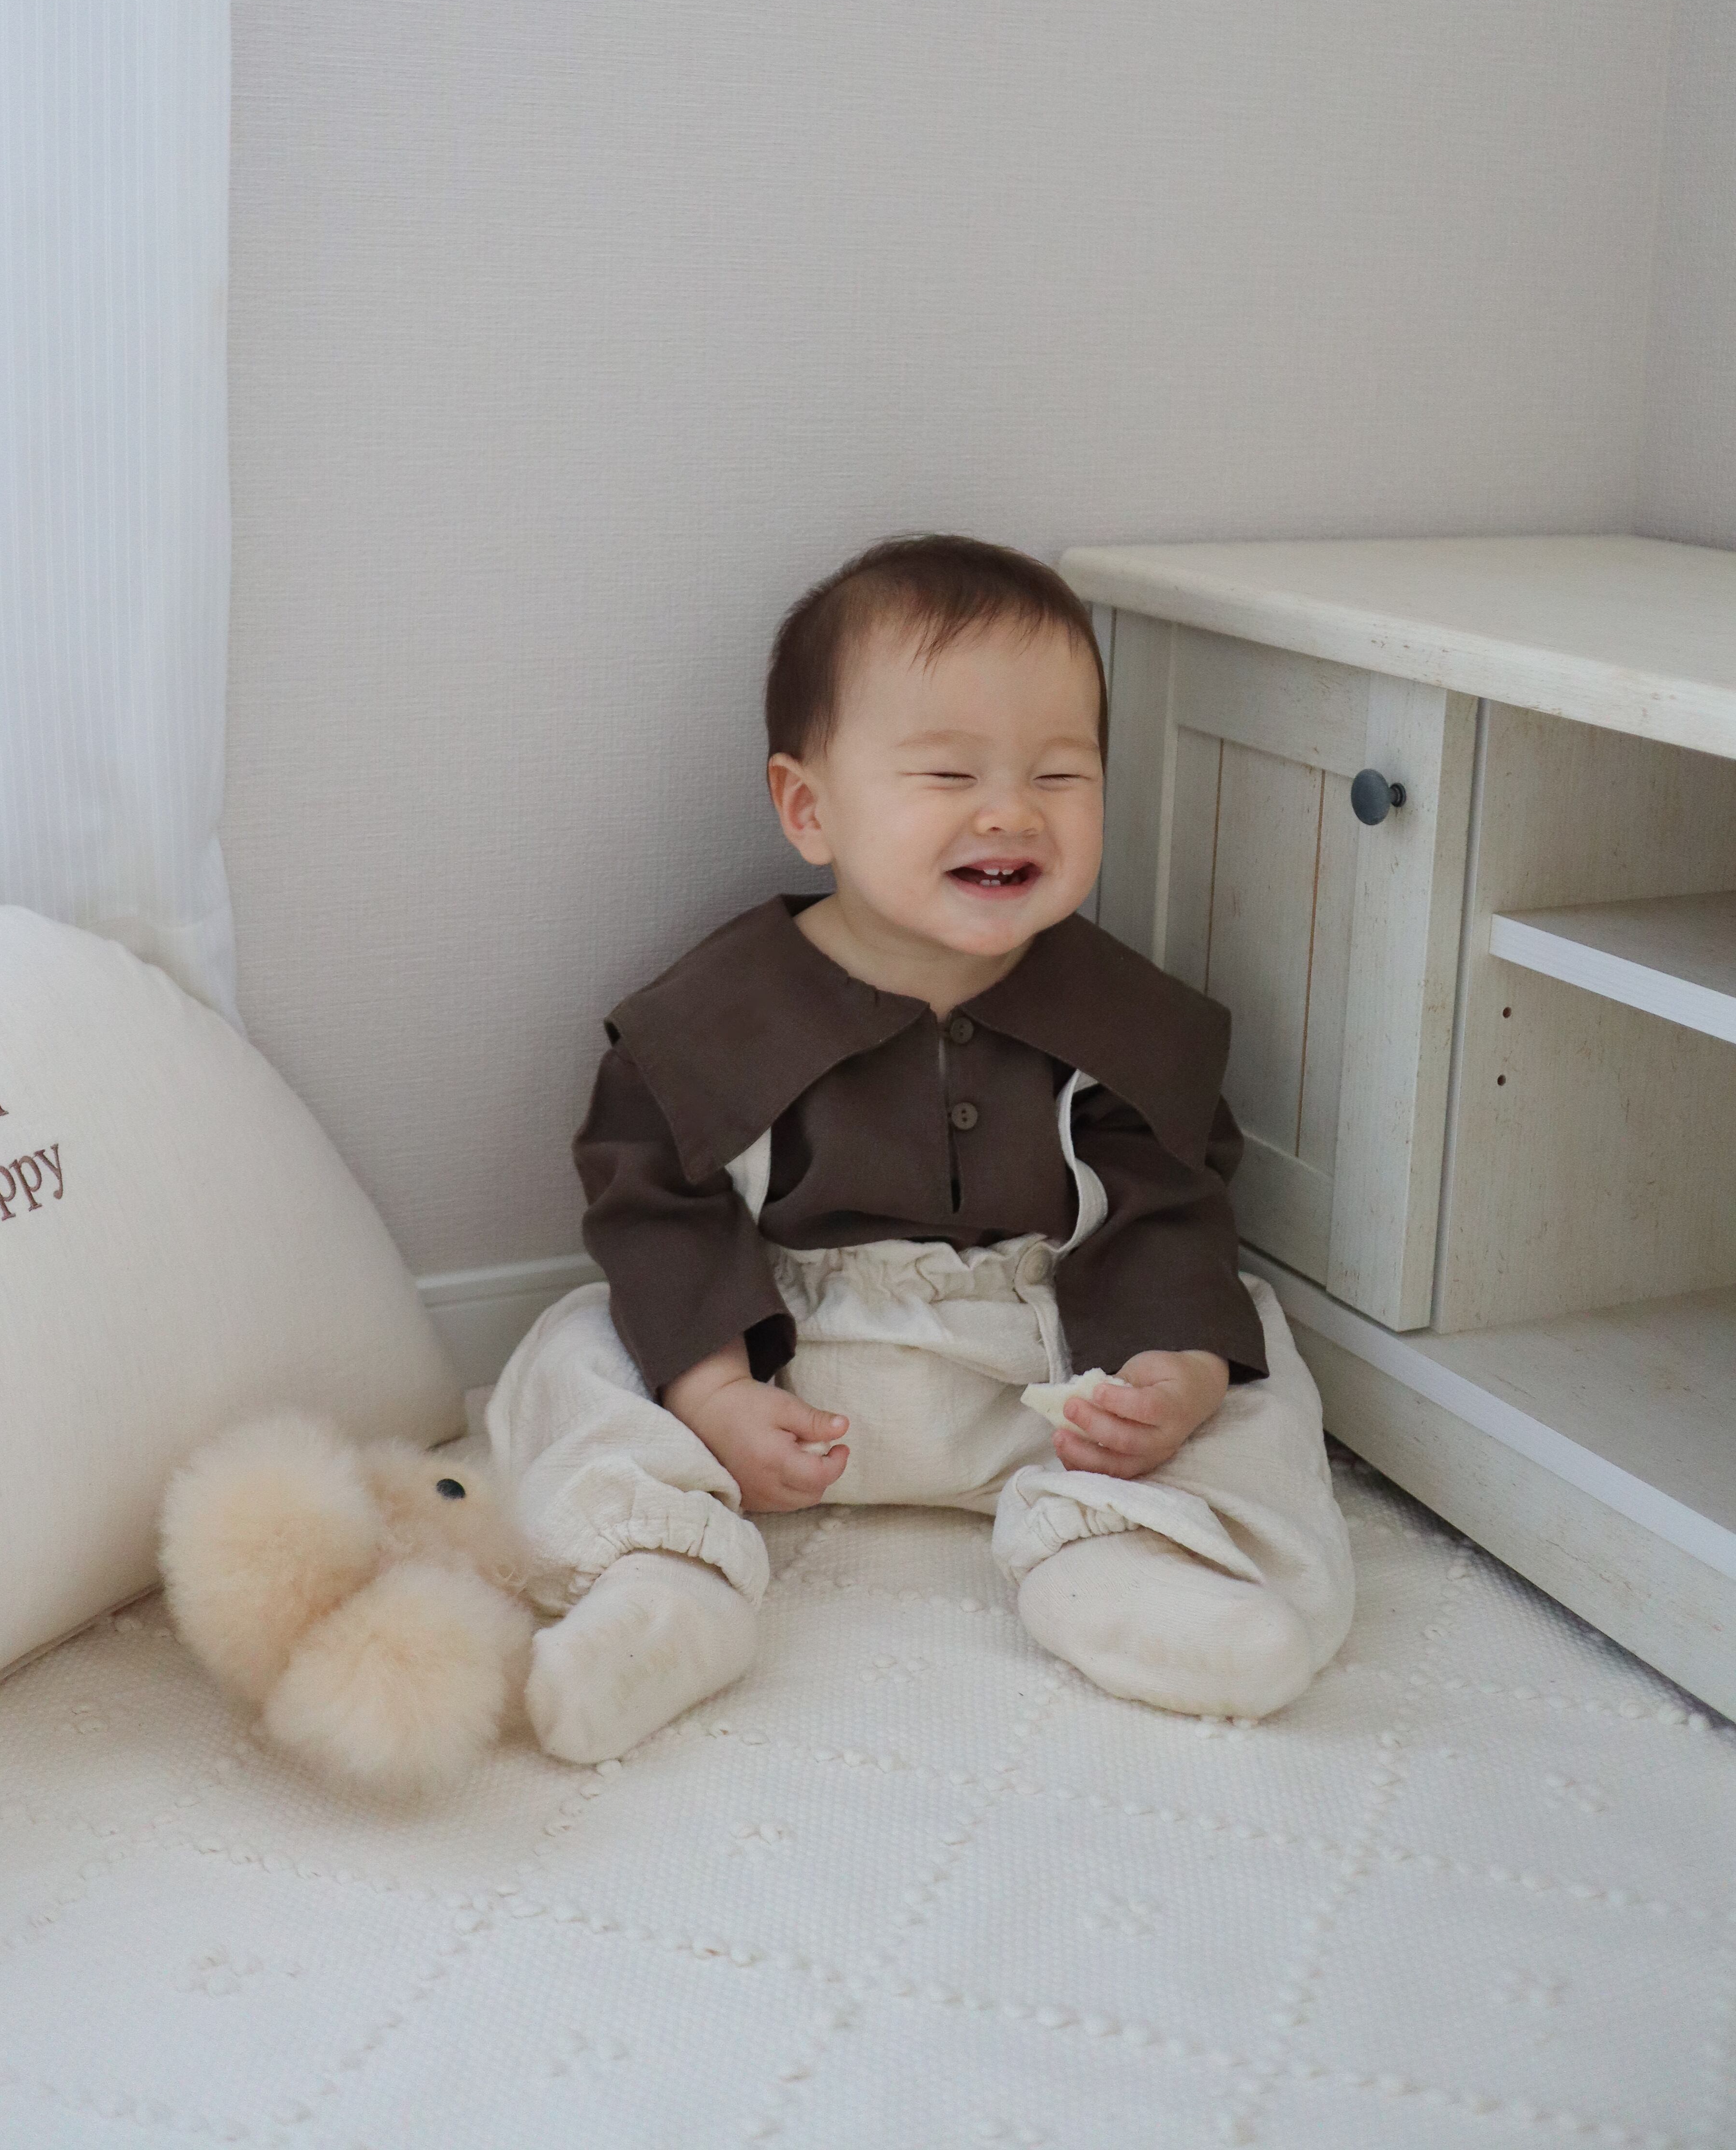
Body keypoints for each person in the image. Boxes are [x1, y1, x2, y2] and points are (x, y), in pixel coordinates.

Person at [488, 534, 1356, 1764]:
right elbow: (655, 1208)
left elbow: (1165, 1210)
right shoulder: (718, 1019)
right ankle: (665, 1580)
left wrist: (1172, 1380)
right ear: (810, 808)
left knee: (1251, 1360)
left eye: (1059, 774)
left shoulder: (1124, 1020)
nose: (1009, 811)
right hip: (784, 1372)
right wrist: (714, 1395)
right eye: (948, 773)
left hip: (1041, 1381)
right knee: (574, 1352)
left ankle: (1128, 1564)